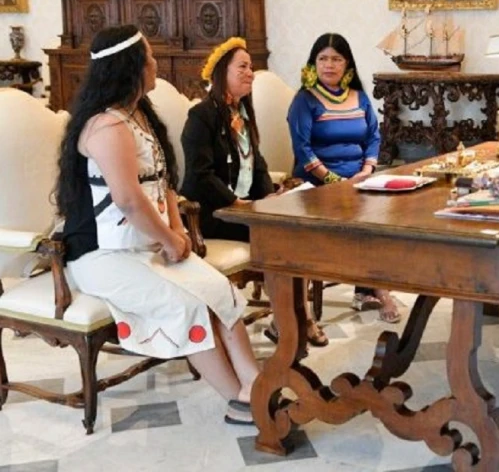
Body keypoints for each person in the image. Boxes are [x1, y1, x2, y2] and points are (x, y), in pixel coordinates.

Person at [57, 25, 262, 425]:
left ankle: (256, 384)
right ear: (131, 66)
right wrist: (169, 238)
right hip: (103, 255)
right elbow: (129, 201)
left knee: (219, 289)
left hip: (149, 244)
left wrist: (177, 230)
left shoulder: (138, 117)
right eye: (149, 57)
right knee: (186, 305)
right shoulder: (106, 126)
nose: (155, 63)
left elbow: (164, 182)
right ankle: (238, 400)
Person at [180, 37, 329, 348]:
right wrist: (236, 202)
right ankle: (293, 321)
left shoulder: (243, 115)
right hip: (212, 213)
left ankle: (289, 319)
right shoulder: (201, 116)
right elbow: (200, 175)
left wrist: (268, 197)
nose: (250, 73)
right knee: (280, 237)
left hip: (245, 208)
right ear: (223, 72)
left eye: (251, 66)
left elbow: (257, 165)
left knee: (295, 230)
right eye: (243, 67)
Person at [287, 32, 402, 323]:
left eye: (336, 58)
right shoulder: (304, 100)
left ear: (347, 63)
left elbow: (374, 137)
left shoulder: (360, 97)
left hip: (359, 179)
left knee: (384, 216)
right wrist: (334, 182)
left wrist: (366, 171)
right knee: (361, 219)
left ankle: (366, 288)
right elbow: (302, 149)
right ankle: (379, 290)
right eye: (322, 58)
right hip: (317, 184)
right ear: (313, 64)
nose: (329, 65)